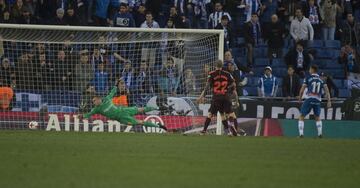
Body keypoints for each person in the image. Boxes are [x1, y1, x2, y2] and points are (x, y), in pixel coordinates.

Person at [80, 85, 167, 131]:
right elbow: (88, 114)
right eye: (93, 101)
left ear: (99, 99)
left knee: (141, 109)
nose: (94, 102)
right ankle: (159, 126)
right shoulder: (96, 109)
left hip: (124, 109)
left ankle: (158, 107)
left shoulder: (107, 99)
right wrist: (81, 116)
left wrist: (116, 85)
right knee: (140, 122)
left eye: (94, 100)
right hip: (121, 118)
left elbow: (112, 92)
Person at [197, 60, 238, 136]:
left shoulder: (211, 74)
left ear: (215, 65)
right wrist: (228, 88)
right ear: (222, 65)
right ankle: (231, 130)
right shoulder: (227, 74)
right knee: (228, 114)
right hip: (226, 97)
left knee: (211, 114)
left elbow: (206, 87)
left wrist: (201, 97)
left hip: (216, 97)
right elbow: (233, 83)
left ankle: (204, 130)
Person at [298, 64, 331, 138]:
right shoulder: (321, 79)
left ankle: (301, 134)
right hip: (317, 100)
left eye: (310, 69)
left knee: (301, 116)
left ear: (312, 70)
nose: (309, 70)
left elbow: (302, 90)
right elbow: (327, 91)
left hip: (309, 99)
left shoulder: (308, 78)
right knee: (317, 116)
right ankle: (320, 134)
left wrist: (300, 98)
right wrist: (329, 101)